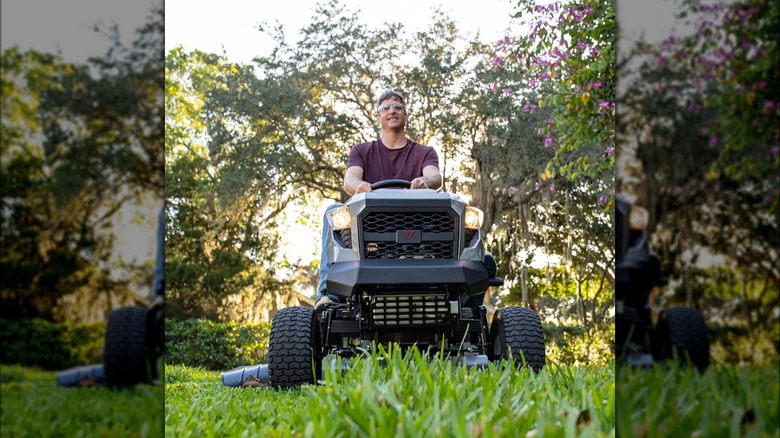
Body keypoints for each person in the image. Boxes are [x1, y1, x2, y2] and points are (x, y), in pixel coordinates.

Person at [317, 90, 442, 306]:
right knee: (333, 210)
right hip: (371, 223)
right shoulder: (362, 151)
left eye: (397, 107)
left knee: (480, 254)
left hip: (415, 222)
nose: (392, 111)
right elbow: (350, 180)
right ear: (378, 117)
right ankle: (329, 294)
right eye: (386, 108)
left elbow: (434, 176)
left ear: (405, 116)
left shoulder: (424, 152)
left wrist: (424, 182)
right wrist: (360, 186)